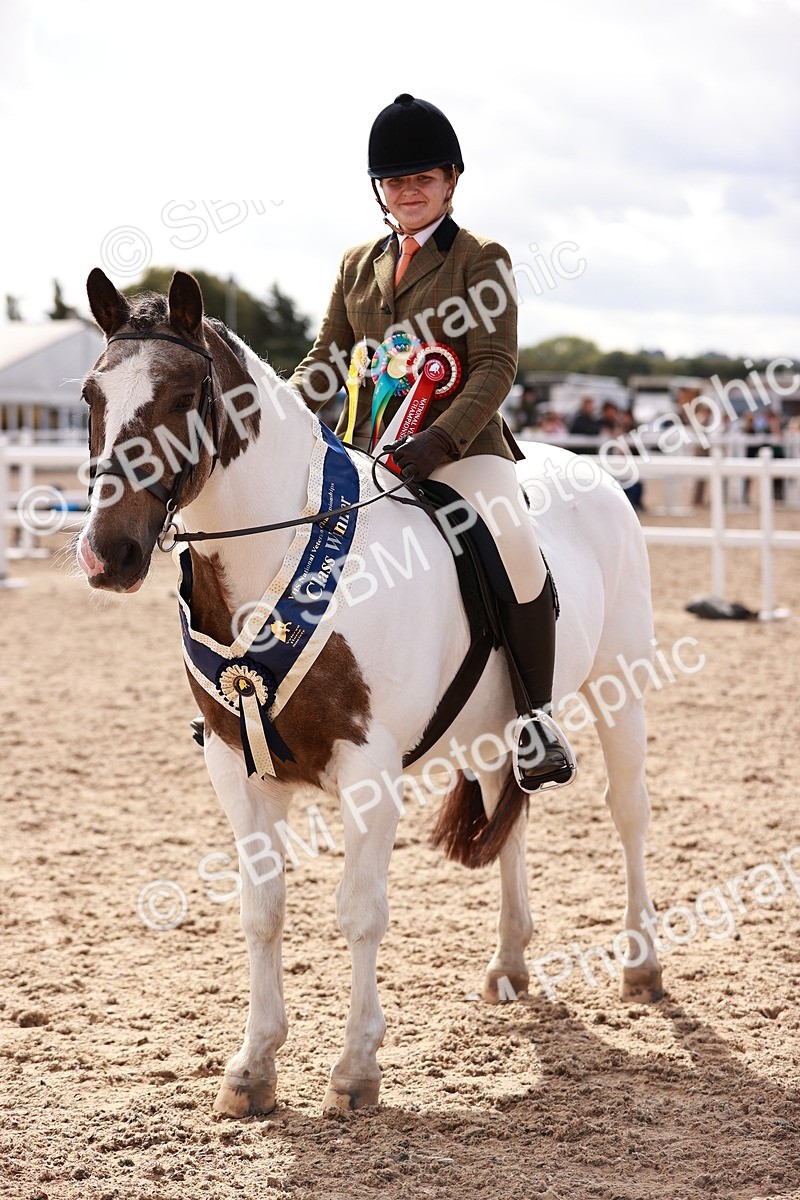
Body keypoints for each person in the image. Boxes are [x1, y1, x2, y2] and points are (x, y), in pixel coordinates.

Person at [289, 93, 575, 792]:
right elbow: (327, 360)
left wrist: (440, 440)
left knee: (515, 551)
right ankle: (256, 699)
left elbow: (495, 366)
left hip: (466, 450)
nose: (407, 192)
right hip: (367, 450)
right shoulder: (359, 263)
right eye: (395, 182)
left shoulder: (480, 258)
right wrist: (278, 416)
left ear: (450, 181)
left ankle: (534, 719)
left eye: (422, 179)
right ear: (380, 191)